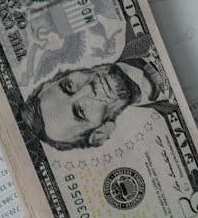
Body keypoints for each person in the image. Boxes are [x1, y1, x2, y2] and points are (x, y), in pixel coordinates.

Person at [19, 33, 175, 150]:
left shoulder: (136, 29)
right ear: (101, 132)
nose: (88, 89)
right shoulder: (175, 117)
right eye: (81, 111)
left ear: (67, 73)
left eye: (68, 86)